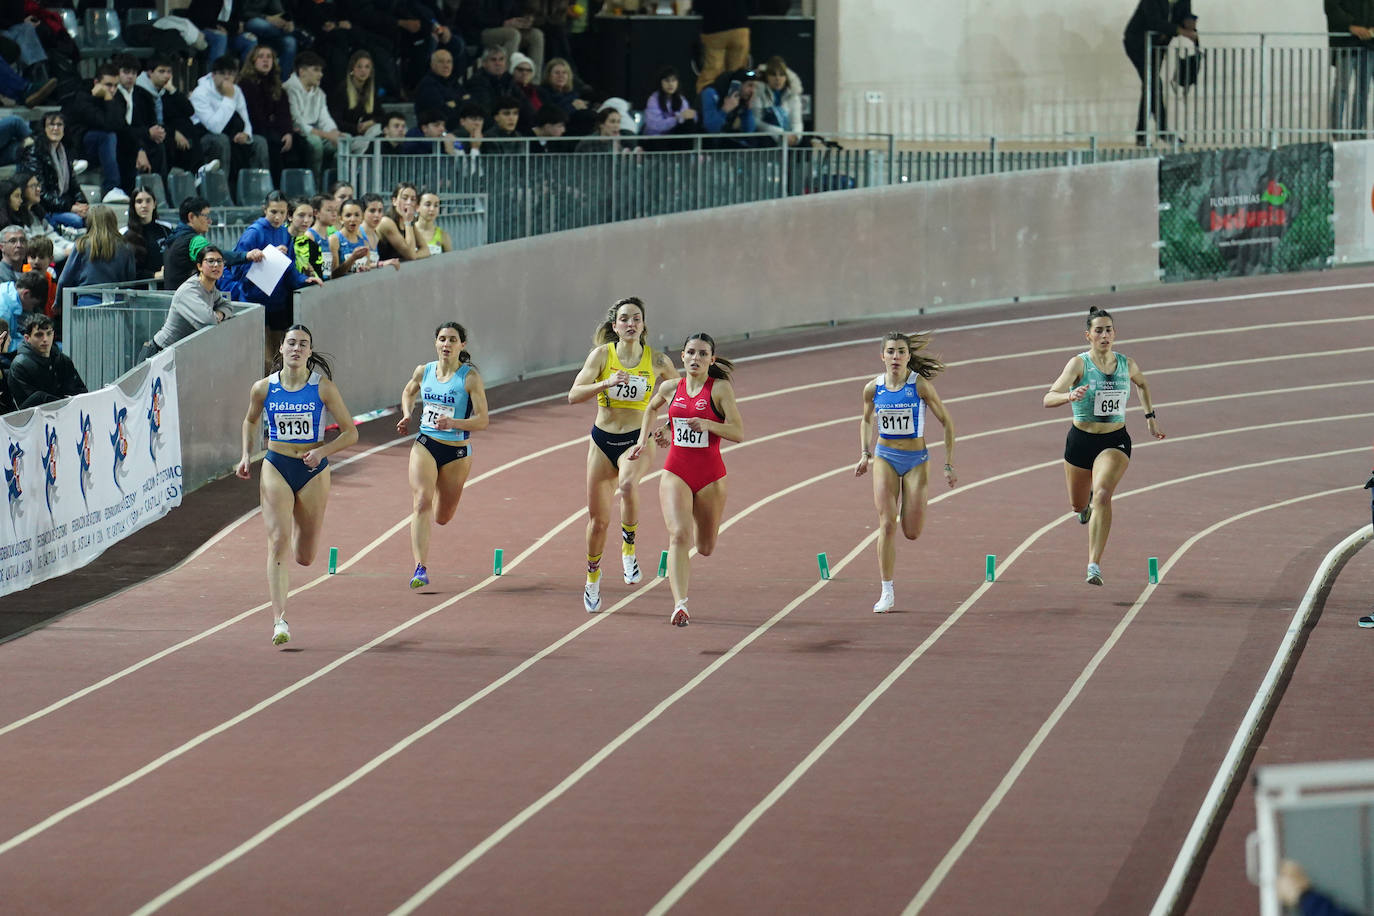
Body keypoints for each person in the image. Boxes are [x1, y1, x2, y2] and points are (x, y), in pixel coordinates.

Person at [236, 325, 358, 645]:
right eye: (291, 343)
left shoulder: (323, 388)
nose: (296, 349)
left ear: (309, 352)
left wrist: (321, 451)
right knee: (277, 541)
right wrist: (247, 455)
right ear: (281, 348)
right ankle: (279, 620)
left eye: (303, 344)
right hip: (277, 464)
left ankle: (296, 534)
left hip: (313, 471)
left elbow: (350, 432)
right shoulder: (263, 388)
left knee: (304, 556)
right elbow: (250, 420)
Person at [567, 297, 679, 613]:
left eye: (637, 319)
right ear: (614, 326)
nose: (631, 324)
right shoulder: (602, 356)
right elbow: (573, 395)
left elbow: (680, 398)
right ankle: (592, 579)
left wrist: (669, 427)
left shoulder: (657, 361)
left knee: (628, 485)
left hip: (637, 439)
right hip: (602, 441)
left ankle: (629, 551)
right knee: (598, 522)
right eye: (625, 319)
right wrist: (606, 382)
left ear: (643, 326)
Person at [627, 331, 744, 626]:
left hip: (710, 477)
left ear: (711, 360)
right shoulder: (670, 387)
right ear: (682, 356)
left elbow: (738, 433)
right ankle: (681, 604)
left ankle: (695, 515)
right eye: (691, 352)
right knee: (679, 535)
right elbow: (651, 409)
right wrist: (646, 439)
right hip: (676, 470)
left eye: (703, 354)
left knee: (704, 547)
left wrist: (706, 423)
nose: (696, 358)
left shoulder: (719, 390)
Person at [1043, 306, 1166, 585]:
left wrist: (1150, 418)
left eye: (1108, 329)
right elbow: (1047, 398)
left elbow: (1143, 385)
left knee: (1102, 495)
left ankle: (1093, 564)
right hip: (1081, 441)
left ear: (1115, 333)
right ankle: (1083, 507)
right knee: (1078, 505)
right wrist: (1069, 395)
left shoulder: (1127, 364)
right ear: (1088, 335)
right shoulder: (1078, 364)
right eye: (1098, 330)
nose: (1104, 335)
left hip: (1115, 440)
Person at [854, 332, 958, 613]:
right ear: (882, 356)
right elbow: (865, 420)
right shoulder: (872, 388)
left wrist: (948, 464)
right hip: (885, 457)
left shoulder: (920, 386)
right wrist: (865, 453)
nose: (896, 357)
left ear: (908, 356)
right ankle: (886, 590)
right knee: (887, 523)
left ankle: (915, 505)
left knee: (911, 532)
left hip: (916, 461)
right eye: (891, 351)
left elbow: (947, 422)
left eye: (901, 351)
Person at [395, 322, 490, 588]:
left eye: (452, 339)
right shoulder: (424, 371)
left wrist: (455, 423)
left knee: (442, 516)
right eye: (442, 339)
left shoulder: (469, 377)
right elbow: (408, 391)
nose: (446, 344)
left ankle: (438, 492)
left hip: (457, 451)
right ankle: (420, 568)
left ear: (462, 345)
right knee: (422, 501)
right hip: (426, 443)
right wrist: (407, 414)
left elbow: (482, 421)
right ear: (436, 343)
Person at [223, 190, 322, 365]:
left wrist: (303, 280)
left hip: (277, 300)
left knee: (280, 355)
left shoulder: (284, 233)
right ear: (265, 210)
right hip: (254, 299)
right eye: (273, 212)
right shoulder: (254, 233)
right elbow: (236, 268)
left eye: (282, 213)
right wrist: (267, 256)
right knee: (265, 357)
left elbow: (289, 267)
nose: (278, 217)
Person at [139, 245, 235, 359]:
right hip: (159, 353)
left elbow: (227, 306)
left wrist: (220, 314)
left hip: (179, 354)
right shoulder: (190, 291)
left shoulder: (212, 289)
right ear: (199, 266)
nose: (216, 265)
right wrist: (216, 316)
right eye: (210, 261)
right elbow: (208, 320)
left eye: (220, 261)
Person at [1123, 0, 1197, 144]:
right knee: (1154, 83)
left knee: (1150, 86)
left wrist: (1189, 22)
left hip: (1158, 44)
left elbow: (1184, 16)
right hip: (1138, 44)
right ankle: (1162, 131)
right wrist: (1181, 31)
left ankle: (1142, 135)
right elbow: (1154, 22)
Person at [189, 55, 270, 186]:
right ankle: (221, 191)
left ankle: (258, 189)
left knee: (259, 142)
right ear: (213, 75)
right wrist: (229, 98)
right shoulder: (200, 93)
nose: (227, 77)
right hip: (204, 137)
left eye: (230, 74)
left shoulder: (236, 90)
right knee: (221, 140)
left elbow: (245, 118)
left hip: (230, 133)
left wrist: (246, 135)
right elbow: (214, 127)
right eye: (222, 73)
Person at [162, 195, 265, 292]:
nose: (210, 221)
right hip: (187, 300)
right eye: (206, 216)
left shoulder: (173, 238)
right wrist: (247, 255)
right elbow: (217, 256)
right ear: (191, 217)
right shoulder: (194, 240)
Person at [238, 44, 302, 186]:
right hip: (253, 129)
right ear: (253, 61)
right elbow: (255, 115)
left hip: (272, 129)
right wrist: (275, 125)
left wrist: (287, 132)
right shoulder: (245, 84)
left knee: (298, 141)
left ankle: (295, 187)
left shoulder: (277, 86)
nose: (265, 60)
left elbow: (284, 113)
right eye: (261, 57)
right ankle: (272, 188)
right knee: (272, 142)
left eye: (269, 57)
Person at [54, 205, 136, 308]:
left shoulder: (82, 244)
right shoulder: (126, 247)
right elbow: (130, 280)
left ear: (90, 222)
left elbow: (65, 279)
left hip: (87, 303)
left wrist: (58, 302)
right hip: (117, 304)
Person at [22, 113, 89, 231]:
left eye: (59, 125)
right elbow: (40, 193)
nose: (55, 128)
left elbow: (74, 184)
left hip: (62, 203)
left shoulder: (64, 151)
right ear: (44, 129)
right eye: (51, 125)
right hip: (44, 208)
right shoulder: (34, 152)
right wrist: (70, 207)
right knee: (77, 221)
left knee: (93, 216)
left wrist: (81, 203)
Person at [8, 313, 87, 409]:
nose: (45, 339)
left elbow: (81, 392)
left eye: (49, 333)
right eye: (39, 335)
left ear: (53, 334)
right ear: (27, 338)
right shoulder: (19, 366)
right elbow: (30, 406)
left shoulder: (62, 360)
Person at [284, 51, 341, 181]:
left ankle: (332, 184)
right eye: (316, 70)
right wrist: (328, 135)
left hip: (317, 131)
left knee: (344, 141)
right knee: (316, 144)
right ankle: (314, 185)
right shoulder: (289, 88)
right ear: (302, 71)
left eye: (321, 71)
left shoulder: (319, 93)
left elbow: (324, 118)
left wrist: (335, 133)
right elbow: (297, 122)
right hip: (297, 133)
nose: (320, 74)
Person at [694, 0, 751, 94]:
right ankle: (736, 102)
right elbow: (753, 5)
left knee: (712, 73)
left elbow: (698, 6)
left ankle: (706, 102)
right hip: (739, 25)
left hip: (713, 27)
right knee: (737, 73)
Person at [123, 188, 175, 282]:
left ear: (154, 204)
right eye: (139, 202)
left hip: (166, 286)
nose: (144, 205)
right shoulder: (125, 234)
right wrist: (153, 275)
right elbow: (126, 270)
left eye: (148, 201)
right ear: (133, 206)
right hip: (140, 290)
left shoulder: (166, 229)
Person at [643, 66, 697, 145]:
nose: (671, 84)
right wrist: (677, 118)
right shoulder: (653, 100)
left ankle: (690, 155)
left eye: (673, 80)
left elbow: (686, 118)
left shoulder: (681, 100)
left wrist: (693, 115)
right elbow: (655, 126)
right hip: (655, 139)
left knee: (689, 122)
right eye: (667, 81)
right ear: (660, 82)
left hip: (672, 138)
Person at [329, 198, 373, 276]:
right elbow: (333, 275)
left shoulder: (364, 242)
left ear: (362, 218)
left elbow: (368, 268)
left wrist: (366, 269)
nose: (352, 219)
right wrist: (352, 258)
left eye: (357, 215)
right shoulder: (334, 239)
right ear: (341, 219)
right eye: (348, 215)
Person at [415, 190, 453, 254]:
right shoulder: (408, 232)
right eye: (428, 204)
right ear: (417, 207)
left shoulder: (443, 236)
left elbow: (450, 261)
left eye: (436, 205)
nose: (432, 209)